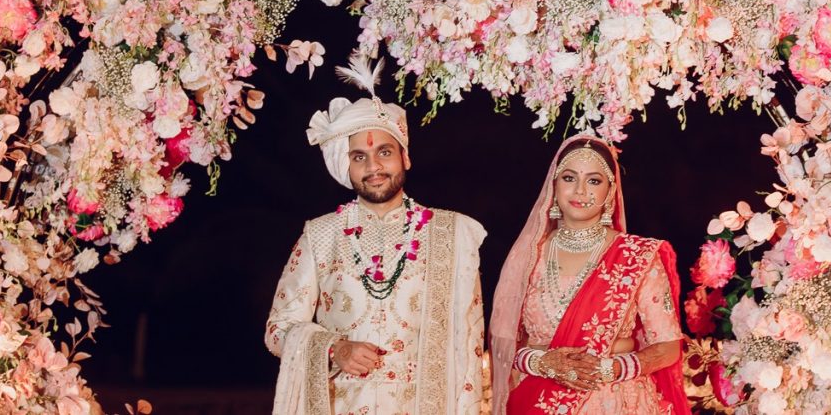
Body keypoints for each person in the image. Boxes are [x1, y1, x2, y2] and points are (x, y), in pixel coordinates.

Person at [265, 55, 487, 415]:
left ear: (405, 157)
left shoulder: (453, 233)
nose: (373, 167)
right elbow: (278, 329)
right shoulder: (320, 235)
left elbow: (470, 342)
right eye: (359, 157)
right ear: (346, 165)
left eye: (384, 152)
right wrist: (334, 348)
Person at [489, 135, 691, 415]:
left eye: (594, 181)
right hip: (537, 397)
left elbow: (668, 346)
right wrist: (542, 363)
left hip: (613, 400)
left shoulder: (636, 255)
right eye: (569, 178)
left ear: (610, 191)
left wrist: (610, 368)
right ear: (554, 185)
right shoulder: (527, 256)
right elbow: (506, 344)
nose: (580, 190)